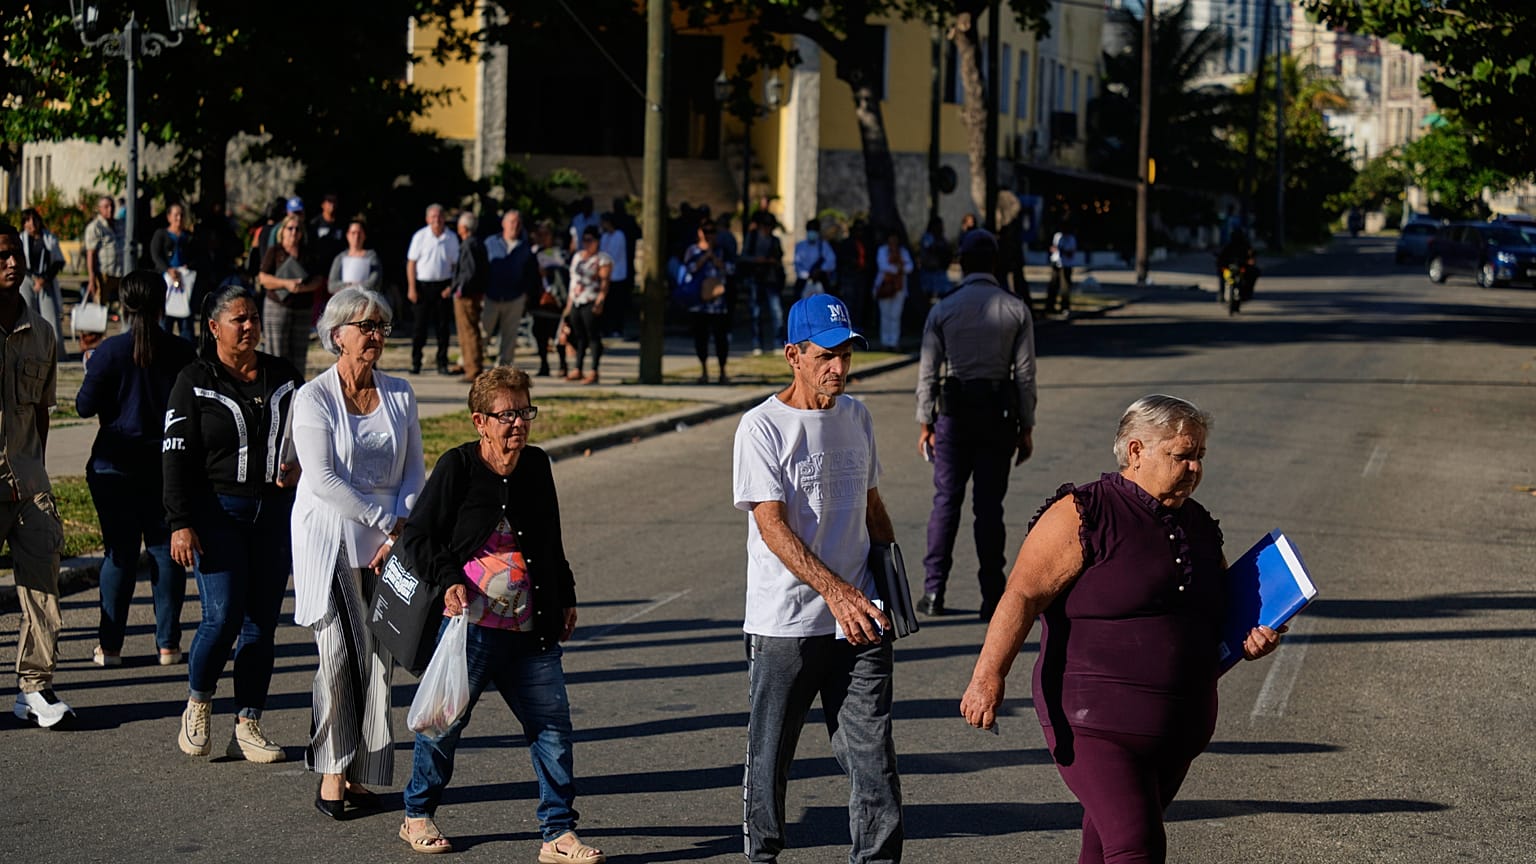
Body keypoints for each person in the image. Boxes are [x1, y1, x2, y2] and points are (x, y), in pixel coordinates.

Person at [960, 394, 1285, 864]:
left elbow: (1218, 614)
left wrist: (1251, 638)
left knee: (1105, 846)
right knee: (1138, 847)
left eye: (1200, 457)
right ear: (1136, 451)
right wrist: (987, 677)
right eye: (1182, 455)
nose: (1194, 468)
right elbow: (1022, 595)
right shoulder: (1085, 512)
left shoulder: (1198, 525)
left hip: (1180, 727)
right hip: (1095, 725)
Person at [396, 367, 603, 862]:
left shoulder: (536, 466)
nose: (518, 424)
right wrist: (448, 580)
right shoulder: (459, 468)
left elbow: (550, 540)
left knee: (552, 731)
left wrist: (566, 596)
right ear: (479, 421)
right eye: (506, 415)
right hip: (472, 629)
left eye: (524, 412)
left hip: (531, 629)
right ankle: (417, 813)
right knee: (444, 725)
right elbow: (418, 536)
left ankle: (558, 833)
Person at [732, 294, 904, 864]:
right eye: (827, 355)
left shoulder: (857, 416)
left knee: (872, 753)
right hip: (786, 623)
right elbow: (772, 526)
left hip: (860, 618)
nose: (840, 367)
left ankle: (876, 859)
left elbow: (872, 507)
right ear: (793, 356)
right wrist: (837, 592)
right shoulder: (761, 428)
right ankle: (763, 855)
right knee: (771, 753)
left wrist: (893, 589)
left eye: (847, 354)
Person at [290, 288, 425, 820]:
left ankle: (365, 772)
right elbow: (322, 478)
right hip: (330, 539)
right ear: (337, 334)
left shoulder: (399, 393)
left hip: (386, 543)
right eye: (365, 326)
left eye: (381, 328)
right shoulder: (314, 397)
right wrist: (384, 522)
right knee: (341, 655)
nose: (374, 336)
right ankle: (330, 769)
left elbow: (414, 468)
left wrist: (401, 526)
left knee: (379, 658)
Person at [164, 282, 304, 763]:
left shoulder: (284, 376)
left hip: (273, 515)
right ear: (213, 327)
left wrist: (302, 462)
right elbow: (175, 458)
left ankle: (248, 722)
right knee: (221, 618)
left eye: (253, 318)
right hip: (217, 513)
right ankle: (198, 703)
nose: (249, 326)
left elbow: (310, 433)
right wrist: (180, 521)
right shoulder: (193, 380)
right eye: (238, 319)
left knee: (261, 625)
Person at [76, 270, 197, 668]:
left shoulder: (109, 352)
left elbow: (83, 406)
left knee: (120, 553)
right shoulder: (182, 351)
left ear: (122, 307)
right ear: (164, 305)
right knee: (165, 552)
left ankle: (110, 647)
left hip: (114, 464)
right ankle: (168, 645)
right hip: (166, 465)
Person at [914, 230, 1036, 620]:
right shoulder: (1014, 309)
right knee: (989, 508)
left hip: (954, 415)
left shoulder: (944, 309)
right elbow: (1025, 375)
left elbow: (928, 372)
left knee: (946, 502)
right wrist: (1026, 425)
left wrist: (925, 420)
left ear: (962, 263)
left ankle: (934, 591)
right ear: (995, 263)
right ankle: (991, 595)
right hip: (997, 416)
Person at [0, 223, 73, 728]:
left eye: (15, 255)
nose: (11, 263)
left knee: (43, 582)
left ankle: (34, 689)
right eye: (1, 255)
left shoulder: (43, 332)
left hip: (28, 479)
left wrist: (37, 470)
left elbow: (43, 411)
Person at [258, 213, 326, 374]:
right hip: (277, 306)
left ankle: (297, 391)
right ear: (283, 231)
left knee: (299, 354)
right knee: (276, 353)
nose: (293, 232)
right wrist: (285, 284)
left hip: (303, 308)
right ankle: (276, 390)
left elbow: (318, 279)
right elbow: (263, 278)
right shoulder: (274, 251)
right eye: (290, 228)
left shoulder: (307, 254)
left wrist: (303, 288)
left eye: (297, 229)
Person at [406, 204, 459, 376]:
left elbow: (455, 265)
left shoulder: (451, 238)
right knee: (419, 328)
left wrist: (451, 287)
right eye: (433, 217)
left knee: (443, 328)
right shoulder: (420, 236)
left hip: (442, 287)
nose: (437, 220)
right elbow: (411, 263)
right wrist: (412, 288)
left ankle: (442, 363)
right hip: (422, 286)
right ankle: (416, 363)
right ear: (428, 219)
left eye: (440, 216)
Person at [485, 210, 540, 370]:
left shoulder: (525, 247)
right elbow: (482, 267)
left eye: (517, 222)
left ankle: (504, 368)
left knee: (510, 335)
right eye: (511, 222)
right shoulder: (490, 242)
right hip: (491, 295)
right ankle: (472, 363)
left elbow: (531, 272)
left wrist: (525, 293)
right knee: (483, 331)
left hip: (515, 296)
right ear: (503, 224)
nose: (514, 226)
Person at [681, 218, 731, 384]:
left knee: (720, 338)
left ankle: (722, 371)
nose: (709, 235)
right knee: (700, 338)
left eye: (712, 231)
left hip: (718, 303)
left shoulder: (722, 250)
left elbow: (730, 269)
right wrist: (705, 257)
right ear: (700, 232)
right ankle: (704, 371)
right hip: (699, 302)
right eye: (706, 231)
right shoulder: (692, 251)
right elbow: (689, 269)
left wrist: (715, 259)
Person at [563, 225, 610, 385]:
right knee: (578, 336)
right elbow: (573, 280)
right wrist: (569, 305)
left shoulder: (602, 259)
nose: (587, 244)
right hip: (576, 298)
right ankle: (578, 368)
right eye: (585, 240)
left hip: (591, 299)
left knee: (593, 336)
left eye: (591, 240)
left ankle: (594, 370)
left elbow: (605, 282)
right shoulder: (577, 257)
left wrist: (600, 300)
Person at [18, 209, 67, 362]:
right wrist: (34, 278)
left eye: (34, 220)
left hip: (47, 280)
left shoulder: (49, 238)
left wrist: (44, 279)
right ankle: (28, 354)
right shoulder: (20, 239)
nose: (31, 224)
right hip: (26, 279)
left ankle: (55, 355)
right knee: (26, 317)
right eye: (27, 220)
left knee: (50, 319)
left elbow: (58, 261)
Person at [739, 212, 785, 356]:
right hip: (756, 278)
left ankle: (778, 342)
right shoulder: (752, 238)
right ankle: (756, 343)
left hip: (771, 279)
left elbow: (779, 258)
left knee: (777, 312)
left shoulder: (775, 240)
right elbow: (743, 257)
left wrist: (772, 261)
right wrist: (756, 260)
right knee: (756, 312)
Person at [451, 211, 489, 382]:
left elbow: (470, 271)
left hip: (467, 295)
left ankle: (473, 368)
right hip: (474, 293)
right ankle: (470, 365)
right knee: (469, 329)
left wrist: (460, 288)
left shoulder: (469, 244)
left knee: (468, 331)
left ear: (464, 227)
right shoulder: (478, 243)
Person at [151, 202, 198, 341]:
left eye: (181, 215)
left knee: (186, 326)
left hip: (184, 283)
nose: (179, 218)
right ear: (169, 217)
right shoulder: (161, 234)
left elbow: (197, 257)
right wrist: (168, 269)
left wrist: (186, 268)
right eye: (176, 215)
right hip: (166, 283)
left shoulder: (189, 237)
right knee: (165, 324)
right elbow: (156, 255)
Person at [531, 221, 571, 379]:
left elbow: (563, 273)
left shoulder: (557, 253)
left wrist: (547, 271)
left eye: (545, 235)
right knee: (539, 333)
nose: (542, 238)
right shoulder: (534, 252)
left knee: (557, 334)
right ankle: (544, 364)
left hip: (555, 299)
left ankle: (563, 364)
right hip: (539, 298)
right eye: (539, 235)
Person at [84, 195, 127, 311]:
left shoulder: (120, 224)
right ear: (100, 209)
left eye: (112, 206)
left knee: (125, 305)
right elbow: (91, 253)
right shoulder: (95, 227)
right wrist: (91, 277)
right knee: (99, 307)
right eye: (106, 207)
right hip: (104, 273)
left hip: (120, 272)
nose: (110, 209)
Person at [598, 211, 631, 339]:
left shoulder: (619, 235)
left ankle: (617, 328)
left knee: (617, 304)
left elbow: (613, 254)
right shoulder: (604, 236)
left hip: (617, 274)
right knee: (607, 304)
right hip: (606, 274)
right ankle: (606, 328)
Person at [327, 218, 382, 294]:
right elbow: (331, 286)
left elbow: (374, 281)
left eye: (359, 233)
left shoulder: (372, 256)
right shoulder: (339, 258)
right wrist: (350, 286)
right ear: (347, 235)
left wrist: (354, 287)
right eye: (353, 233)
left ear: (365, 235)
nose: (356, 237)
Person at [792, 218, 837, 301]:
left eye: (814, 230)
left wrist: (820, 270)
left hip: (820, 281)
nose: (812, 232)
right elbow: (797, 264)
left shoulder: (824, 245)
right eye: (810, 230)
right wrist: (808, 274)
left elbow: (831, 261)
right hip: (804, 282)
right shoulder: (800, 246)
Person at [917, 216, 953, 300]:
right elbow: (930, 249)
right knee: (927, 295)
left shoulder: (942, 239)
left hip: (940, 270)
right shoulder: (928, 237)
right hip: (928, 270)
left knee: (944, 294)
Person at [1047, 222, 1078, 315]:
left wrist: (1062, 250)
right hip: (1056, 262)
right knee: (1053, 285)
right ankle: (1050, 306)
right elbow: (1052, 247)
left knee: (1065, 287)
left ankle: (1064, 307)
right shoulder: (1057, 236)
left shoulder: (1071, 238)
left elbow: (1071, 252)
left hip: (1066, 264)